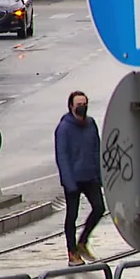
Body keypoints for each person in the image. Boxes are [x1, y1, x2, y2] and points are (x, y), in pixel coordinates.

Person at [55, 90, 105, 266]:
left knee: (99, 208)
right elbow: (62, 156)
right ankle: (72, 252)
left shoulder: (91, 124)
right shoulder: (64, 128)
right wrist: (69, 182)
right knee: (72, 215)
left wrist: (100, 175)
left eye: (85, 103)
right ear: (71, 106)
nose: (82, 106)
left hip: (90, 175)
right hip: (73, 179)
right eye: (79, 104)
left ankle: (82, 242)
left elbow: (96, 150)